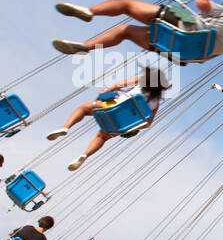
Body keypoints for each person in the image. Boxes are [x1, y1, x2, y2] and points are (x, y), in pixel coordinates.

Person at [45, 64, 173, 171]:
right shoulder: (156, 102)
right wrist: (132, 127)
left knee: (83, 109)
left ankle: (65, 127)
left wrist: (105, 91)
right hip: (122, 124)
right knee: (102, 137)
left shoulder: (141, 81)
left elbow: (119, 84)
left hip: (113, 107)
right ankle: (85, 155)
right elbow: (148, 123)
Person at [52, 0, 223, 61]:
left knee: (126, 5)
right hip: (178, 51)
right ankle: (84, 48)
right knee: (125, 31)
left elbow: (201, 5)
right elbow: (202, 58)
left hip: (182, 25)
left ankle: (90, 11)